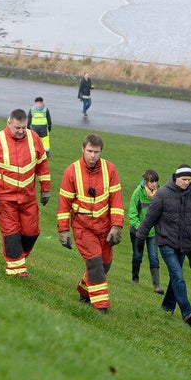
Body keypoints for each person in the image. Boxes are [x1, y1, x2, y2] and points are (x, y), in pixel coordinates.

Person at [0, 109, 51, 275]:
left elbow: (42, 165)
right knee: (11, 234)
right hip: (4, 200)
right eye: (17, 127)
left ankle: (17, 258)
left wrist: (45, 189)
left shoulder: (34, 138)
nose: (21, 131)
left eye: (24, 127)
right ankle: (17, 272)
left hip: (28, 199)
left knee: (31, 233)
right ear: (8, 123)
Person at [134, 164, 191, 327]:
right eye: (184, 179)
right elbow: (149, 220)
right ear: (176, 177)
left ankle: (167, 307)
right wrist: (140, 239)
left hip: (184, 244)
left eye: (189, 180)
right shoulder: (162, 194)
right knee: (178, 275)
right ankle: (187, 312)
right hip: (166, 242)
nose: (186, 183)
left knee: (176, 277)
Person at [57, 134, 124, 313]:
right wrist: (63, 230)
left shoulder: (110, 169)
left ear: (101, 151)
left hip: (105, 228)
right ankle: (100, 306)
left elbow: (116, 200)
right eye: (89, 151)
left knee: (105, 265)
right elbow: (64, 204)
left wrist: (117, 226)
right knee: (95, 263)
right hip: (83, 228)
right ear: (83, 150)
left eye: (96, 152)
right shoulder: (71, 171)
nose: (93, 155)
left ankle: (84, 290)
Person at [128, 169, 163, 294]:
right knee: (138, 255)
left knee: (154, 257)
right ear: (145, 182)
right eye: (152, 182)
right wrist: (140, 227)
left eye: (156, 181)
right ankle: (135, 279)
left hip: (153, 233)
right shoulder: (137, 193)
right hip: (137, 232)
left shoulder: (161, 194)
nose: (154, 184)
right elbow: (132, 214)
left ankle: (156, 286)